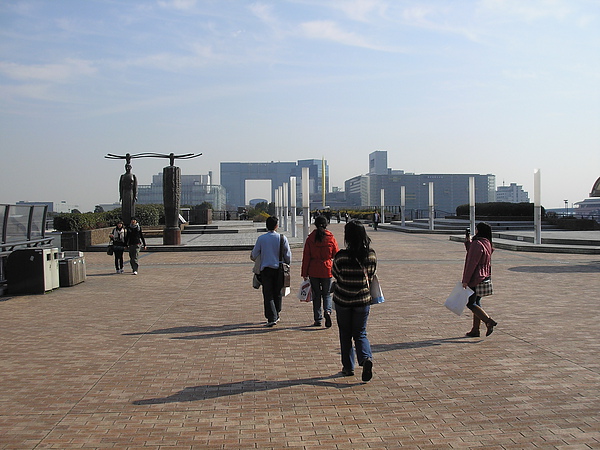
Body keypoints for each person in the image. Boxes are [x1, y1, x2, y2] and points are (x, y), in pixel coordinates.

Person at [332, 220, 376, 382]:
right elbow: (370, 275)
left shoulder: (341, 256)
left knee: (345, 334)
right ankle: (365, 359)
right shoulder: (371, 255)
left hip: (343, 299)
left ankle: (348, 367)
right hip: (362, 300)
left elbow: (335, 274)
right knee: (360, 332)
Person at [251, 216, 291, 327]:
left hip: (266, 270)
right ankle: (276, 313)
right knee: (277, 292)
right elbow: (288, 256)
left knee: (268, 294)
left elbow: (254, 254)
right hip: (279, 269)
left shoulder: (261, 239)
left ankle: (271, 317)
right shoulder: (282, 238)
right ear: (276, 226)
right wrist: (287, 263)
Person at [301, 216, 340, 327]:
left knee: (316, 295)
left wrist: (304, 273)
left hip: (313, 269)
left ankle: (318, 319)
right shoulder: (330, 237)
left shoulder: (310, 238)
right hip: (327, 269)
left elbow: (306, 257)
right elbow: (336, 254)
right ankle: (327, 311)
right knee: (327, 294)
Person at [462, 222, 497, 337]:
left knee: (470, 303)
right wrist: (468, 242)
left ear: (479, 230)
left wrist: (465, 280)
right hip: (485, 275)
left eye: (476, 229)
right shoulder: (487, 242)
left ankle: (488, 321)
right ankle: (475, 330)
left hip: (476, 277)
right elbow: (473, 252)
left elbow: (471, 262)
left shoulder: (477, 244)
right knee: (476, 302)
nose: (475, 230)